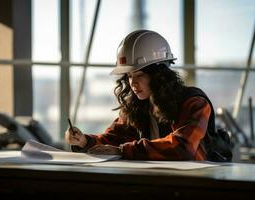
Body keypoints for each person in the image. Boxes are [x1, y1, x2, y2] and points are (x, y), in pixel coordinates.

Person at [65, 29, 231, 161]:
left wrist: (123, 150)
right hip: (155, 182)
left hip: (197, 186)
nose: (132, 83)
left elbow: (183, 147)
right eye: (129, 76)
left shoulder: (194, 102)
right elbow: (113, 138)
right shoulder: (137, 105)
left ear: (159, 75)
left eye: (139, 75)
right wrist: (84, 141)